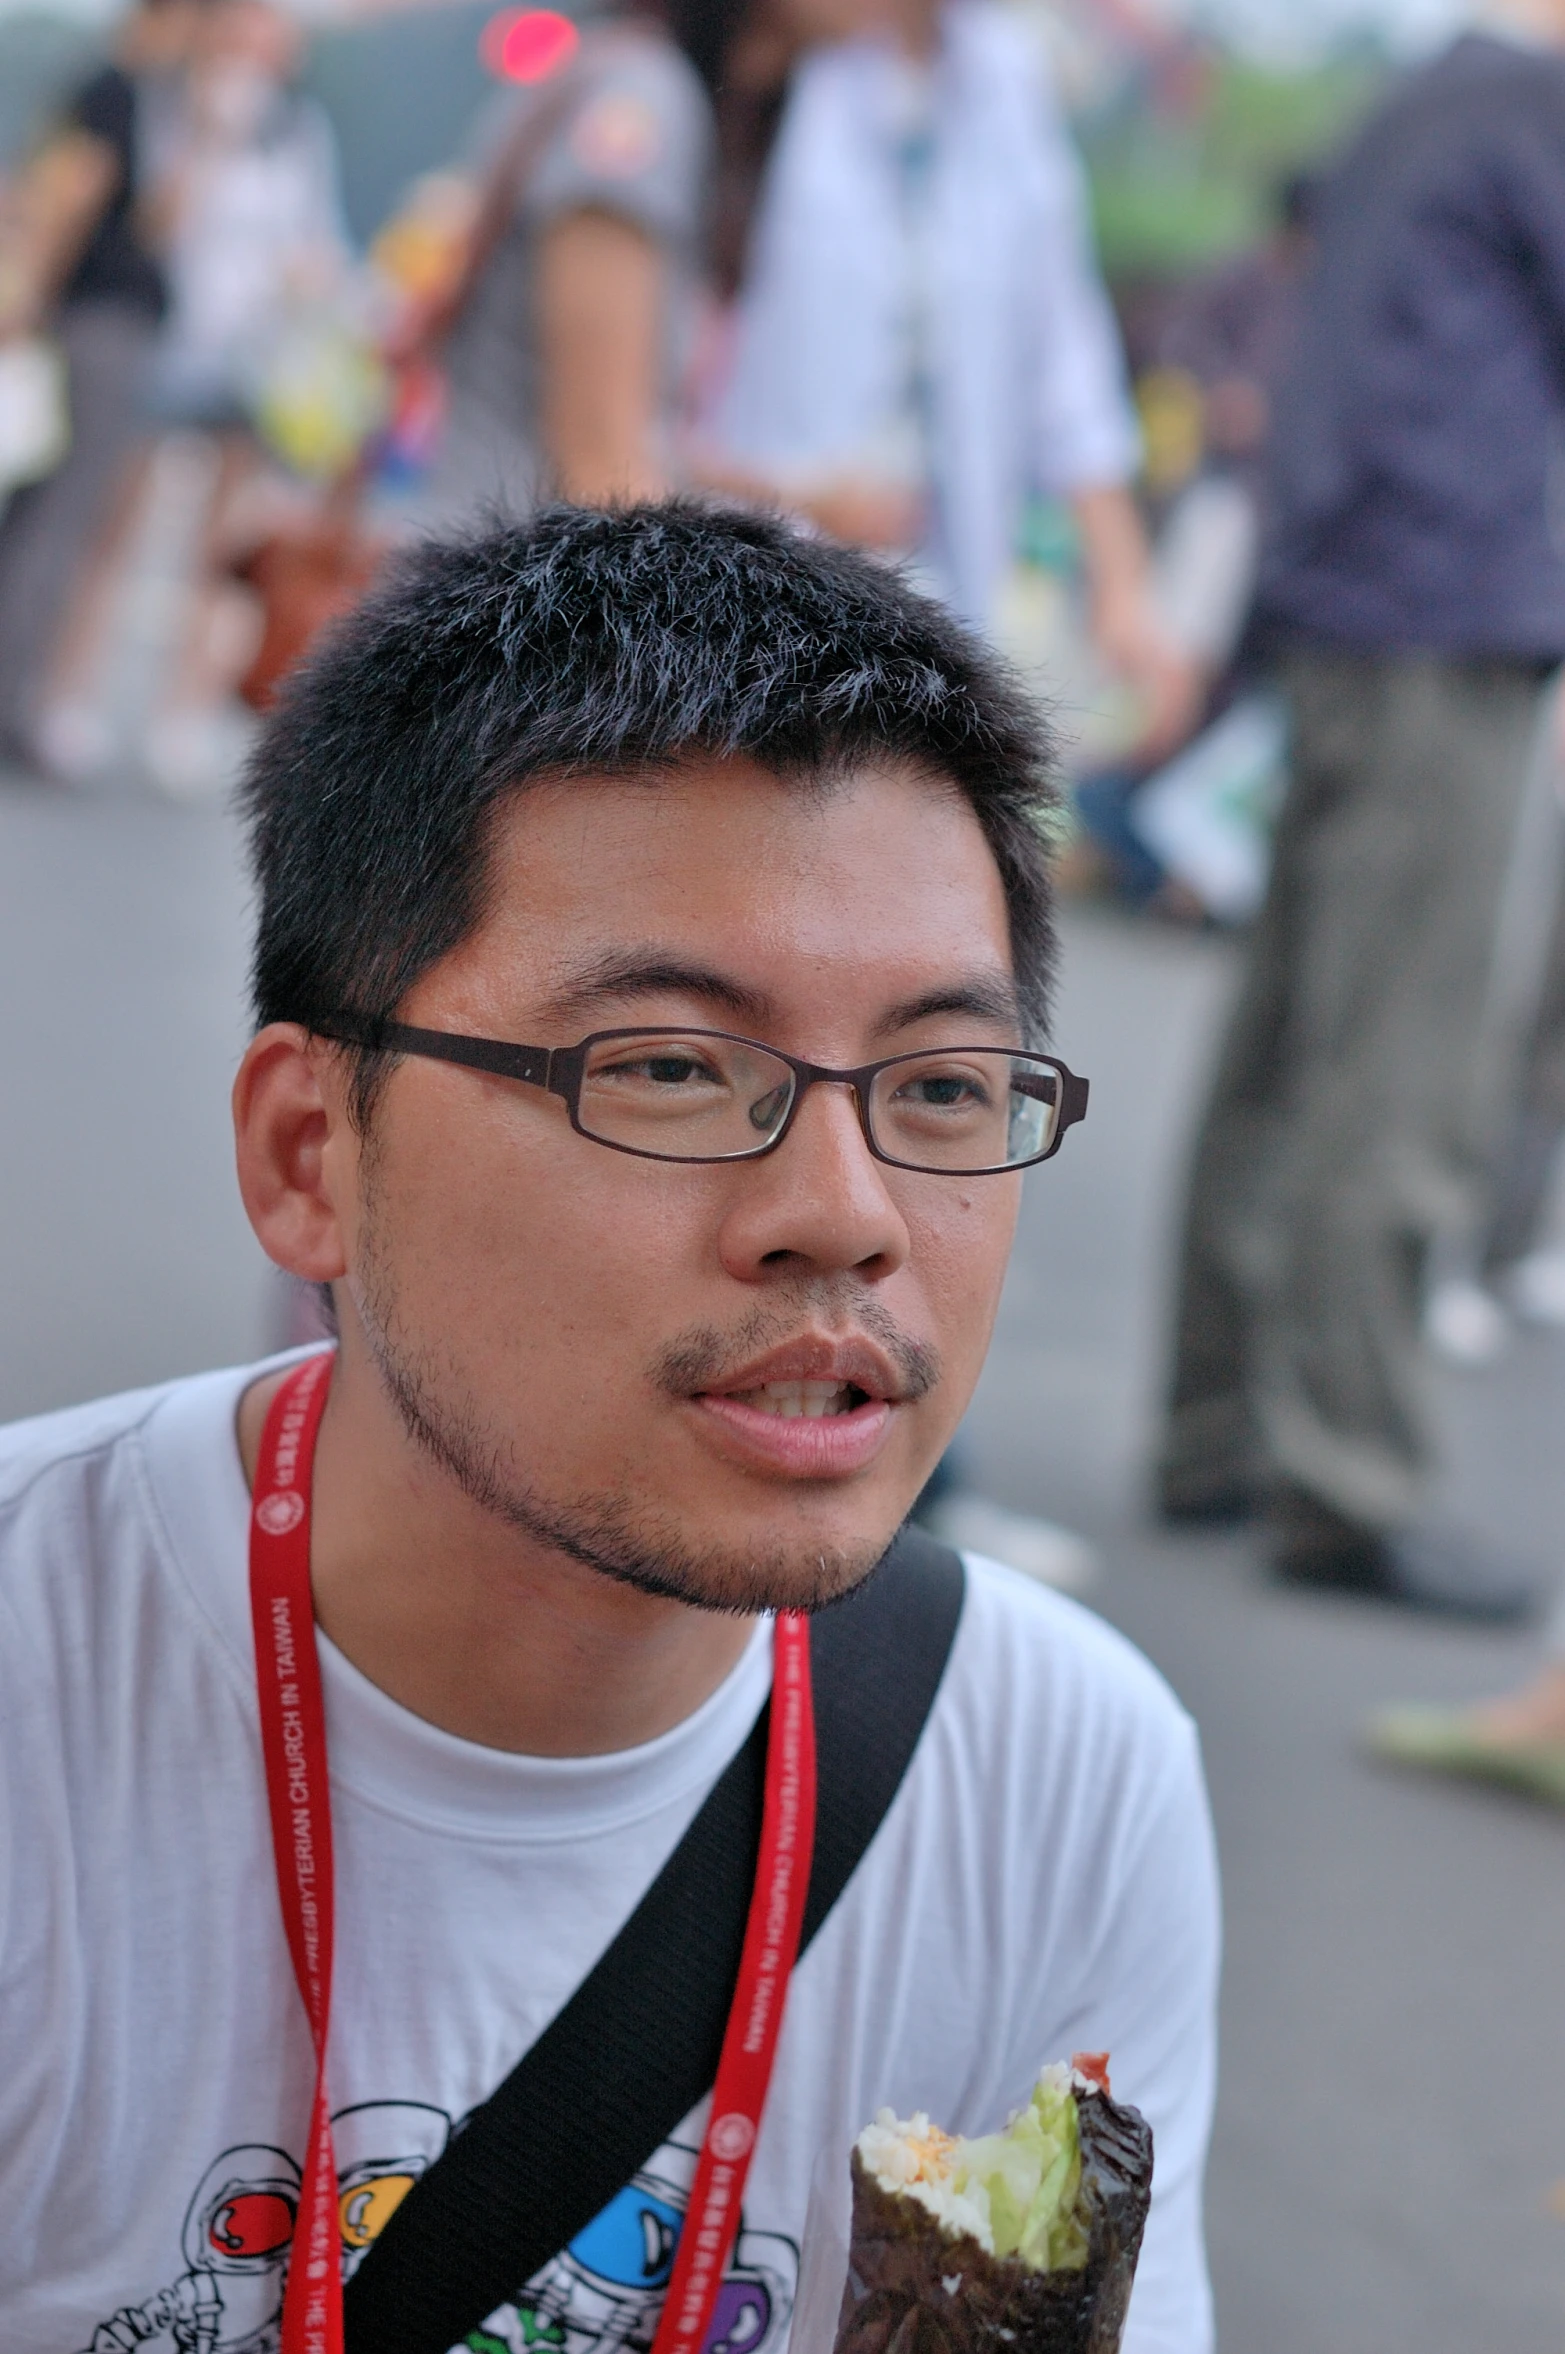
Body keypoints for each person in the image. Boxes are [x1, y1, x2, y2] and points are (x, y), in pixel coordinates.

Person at [0, 504, 1218, 2353]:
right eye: (665, 1064)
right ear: (309, 1153)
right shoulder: (39, 1677)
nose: (847, 1207)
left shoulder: (1056, 1770)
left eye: (947, 1084)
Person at [1155, 8, 1565, 1617]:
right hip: (1439, 621)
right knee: (1398, 1065)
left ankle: (1216, 1427)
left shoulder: (1423, 104)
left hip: (1341, 606)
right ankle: (1348, 1468)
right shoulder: (1526, 104)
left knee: (1280, 1047)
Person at [691, 0, 1195, 753]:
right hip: (754, 565)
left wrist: (1120, 586)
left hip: (940, 573)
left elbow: (1061, 344)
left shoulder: (1007, 76)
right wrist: (793, 494)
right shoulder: (768, 60)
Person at [413, 0, 722, 524]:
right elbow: (601, 466)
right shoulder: (639, 92)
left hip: (502, 553)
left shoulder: (598, 68)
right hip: (530, 577)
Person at [0, 0, 202, 776]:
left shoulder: (116, 90)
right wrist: (34, 301)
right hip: (97, 322)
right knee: (59, 518)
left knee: (38, 514)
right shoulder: (118, 91)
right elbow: (72, 201)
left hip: (82, 318)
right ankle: (13, 704)